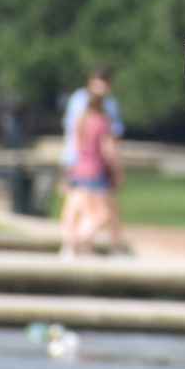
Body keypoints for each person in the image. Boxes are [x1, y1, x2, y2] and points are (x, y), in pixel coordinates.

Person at [59, 67, 127, 252]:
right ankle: (80, 242)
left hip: (80, 165)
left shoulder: (84, 113)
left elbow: (74, 136)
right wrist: (117, 169)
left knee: (80, 206)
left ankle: (77, 245)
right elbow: (109, 145)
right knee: (99, 212)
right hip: (93, 167)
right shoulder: (100, 116)